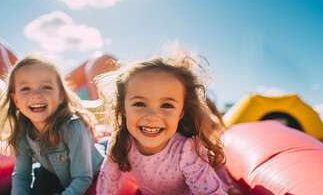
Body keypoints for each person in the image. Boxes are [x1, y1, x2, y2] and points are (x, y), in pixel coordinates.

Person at [94, 49, 234, 195]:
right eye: (139, 104)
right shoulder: (121, 142)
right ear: (123, 109)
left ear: (180, 113)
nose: (152, 116)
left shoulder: (186, 151)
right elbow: (107, 184)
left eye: (167, 105)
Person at [0, 55, 105, 195]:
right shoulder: (22, 133)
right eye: (25, 88)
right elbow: (22, 175)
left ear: (60, 96)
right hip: (53, 173)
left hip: (91, 171)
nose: (36, 94)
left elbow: (82, 177)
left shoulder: (73, 127)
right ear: (15, 99)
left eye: (46, 87)